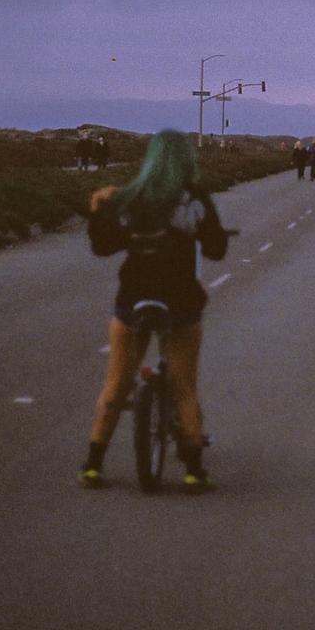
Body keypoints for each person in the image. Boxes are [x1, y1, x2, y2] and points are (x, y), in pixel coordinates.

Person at [78, 129, 230, 493]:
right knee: (184, 387)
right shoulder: (194, 199)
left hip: (134, 298)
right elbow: (216, 250)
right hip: (180, 302)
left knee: (117, 383)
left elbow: (103, 246)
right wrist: (206, 235)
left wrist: (97, 210)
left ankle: (93, 465)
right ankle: (193, 471)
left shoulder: (131, 196)